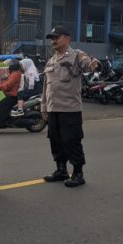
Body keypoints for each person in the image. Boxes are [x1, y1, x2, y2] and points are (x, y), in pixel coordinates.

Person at [41, 25, 100, 188]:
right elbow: (46, 86)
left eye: (56, 37)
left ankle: (78, 173)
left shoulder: (76, 55)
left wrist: (94, 65)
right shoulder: (51, 60)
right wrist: (43, 107)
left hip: (70, 109)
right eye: (52, 38)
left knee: (71, 141)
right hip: (53, 109)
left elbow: (88, 65)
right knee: (55, 140)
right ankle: (61, 170)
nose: (53, 40)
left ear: (67, 38)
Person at [0, 60, 21, 130]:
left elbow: (7, 85)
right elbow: (5, 80)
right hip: (11, 95)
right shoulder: (13, 74)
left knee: (0, 108)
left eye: (9, 66)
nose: (8, 67)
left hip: (14, 96)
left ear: (12, 66)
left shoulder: (15, 74)